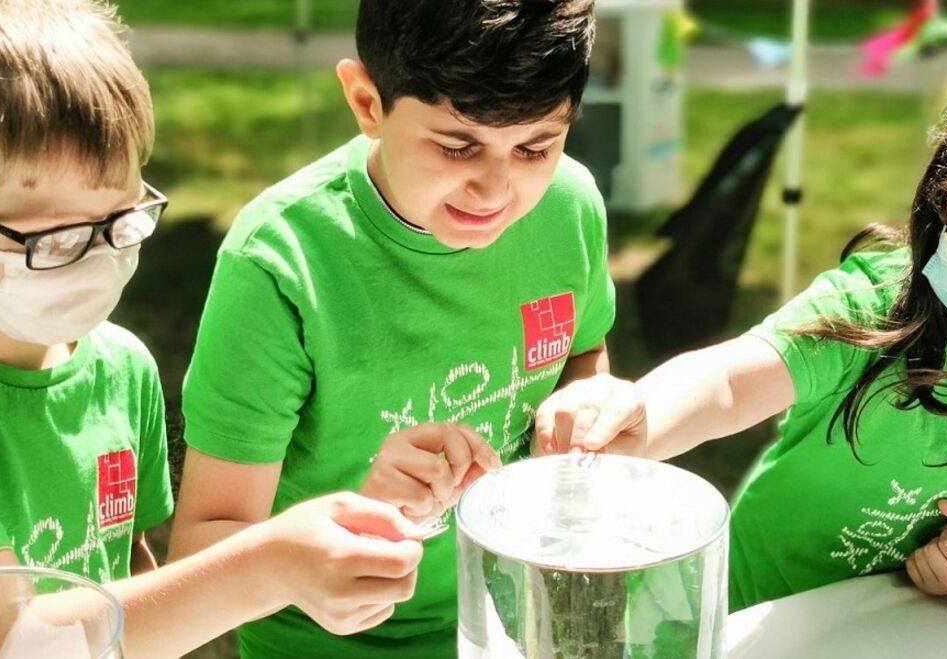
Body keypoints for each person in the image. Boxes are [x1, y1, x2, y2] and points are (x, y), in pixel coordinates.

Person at [0, 1, 424, 656]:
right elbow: (13, 643)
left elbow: (130, 582)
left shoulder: (121, 368)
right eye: (55, 238)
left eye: (119, 222)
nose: (96, 260)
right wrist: (271, 563)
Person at [169, 0, 614, 656]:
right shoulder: (283, 261)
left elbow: (585, 352)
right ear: (366, 101)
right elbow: (202, 546)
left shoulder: (568, 206)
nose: (495, 190)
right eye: (457, 145)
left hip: (517, 625)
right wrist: (356, 522)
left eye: (535, 146)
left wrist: (585, 399)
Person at [535, 75, 947, 613]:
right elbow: (732, 380)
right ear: (941, 206)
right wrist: (643, 418)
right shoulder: (877, 302)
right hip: (754, 610)